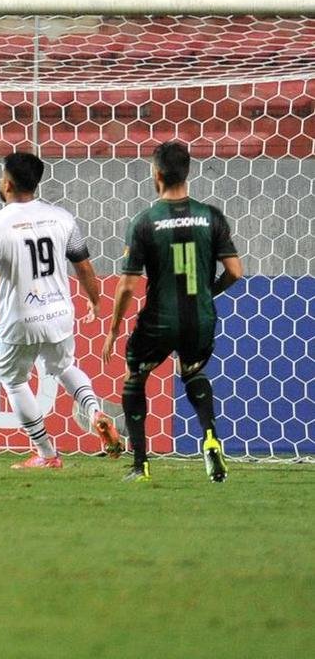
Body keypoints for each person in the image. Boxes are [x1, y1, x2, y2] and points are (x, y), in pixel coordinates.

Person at [0, 152, 122, 469]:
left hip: (20, 319)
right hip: (59, 315)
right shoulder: (61, 217)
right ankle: (95, 411)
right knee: (64, 366)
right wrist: (95, 300)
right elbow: (84, 266)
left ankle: (46, 454)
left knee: (13, 380)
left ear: (7, 183)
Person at [102, 141, 243, 483]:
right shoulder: (211, 216)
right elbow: (236, 272)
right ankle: (210, 437)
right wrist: (208, 292)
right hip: (201, 318)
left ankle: (140, 464)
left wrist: (114, 329)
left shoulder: (145, 221)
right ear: (188, 171)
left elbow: (127, 285)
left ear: (158, 175)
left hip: (159, 320)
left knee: (135, 377)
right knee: (193, 371)